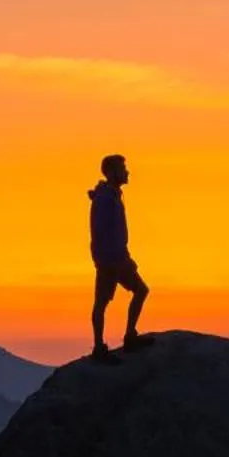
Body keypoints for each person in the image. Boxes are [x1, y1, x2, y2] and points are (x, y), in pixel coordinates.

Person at [87, 154, 149, 359]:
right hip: (112, 261)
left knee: (136, 292)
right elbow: (102, 233)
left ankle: (124, 337)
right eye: (123, 168)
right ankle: (101, 346)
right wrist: (113, 260)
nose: (127, 172)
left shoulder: (110, 196)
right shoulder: (106, 199)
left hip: (115, 259)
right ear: (112, 172)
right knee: (104, 302)